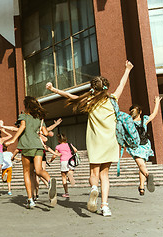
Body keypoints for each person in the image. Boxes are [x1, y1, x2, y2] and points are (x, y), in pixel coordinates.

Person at [46, 60, 134, 217]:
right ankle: (105, 207)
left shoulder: (89, 101)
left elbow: (69, 96)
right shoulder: (113, 99)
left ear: (92, 89)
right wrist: (127, 69)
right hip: (110, 142)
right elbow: (122, 84)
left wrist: (54, 89)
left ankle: (94, 189)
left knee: (94, 174)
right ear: (105, 88)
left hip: (95, 143)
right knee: (105, 175)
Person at [5, 96, 59, 209]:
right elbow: (45, 132)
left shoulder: (23, 115)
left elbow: (23, 126)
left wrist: (13, 139)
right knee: (39, 170)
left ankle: (30, 199)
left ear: (26, 106)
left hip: (26, 146)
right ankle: (49, 181)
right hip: (39, 146)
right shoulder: (39, 118)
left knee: (27, 173)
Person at [127, 96, 161, 195]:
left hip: (135, 147)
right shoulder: (144, 120)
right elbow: (154, 114)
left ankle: (148, 175)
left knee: (141, 165)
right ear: (140, 112)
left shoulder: (129, 123)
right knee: (142, 165)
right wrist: (157, 103)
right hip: (145, 145)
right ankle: (141, 187)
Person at [48, 133, 77, 198]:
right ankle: (70, 176)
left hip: (63, 161)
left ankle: (66, 193)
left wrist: (51, 160)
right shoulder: (69, 144)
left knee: (64, 177)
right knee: (70, 172)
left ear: (58, 141)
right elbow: (75, 150)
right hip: (71, 160)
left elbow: (55, 155)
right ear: (66, 139)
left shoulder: (58, 147)